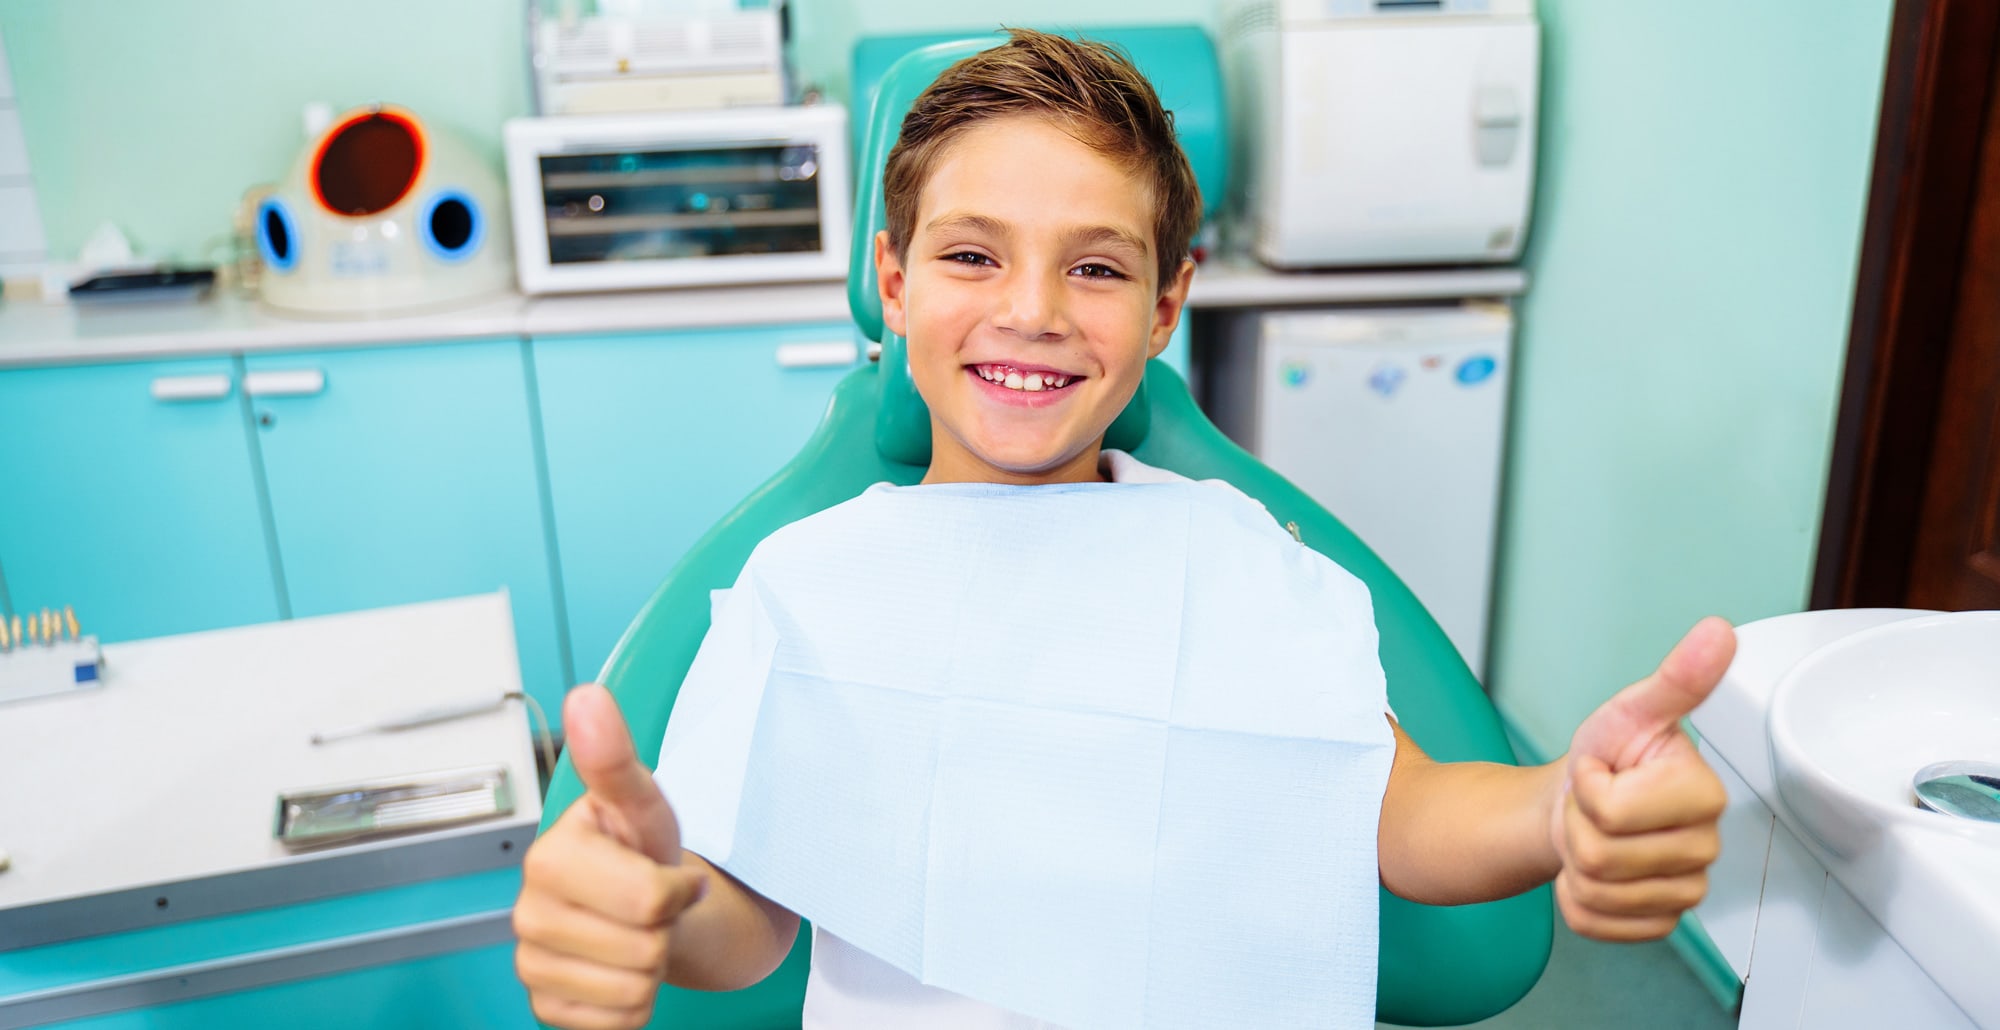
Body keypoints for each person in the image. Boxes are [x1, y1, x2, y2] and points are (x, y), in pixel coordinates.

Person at [511, 29, 1733, 1030]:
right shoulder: (806, 584)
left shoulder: (1241, 559)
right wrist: (657, 900)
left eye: (1094, 269)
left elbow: (1396, 816)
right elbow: (747, 927)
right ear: (892, 282)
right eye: (972, 254)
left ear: (1165, 306)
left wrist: (1556, 809)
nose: (1031, 311)